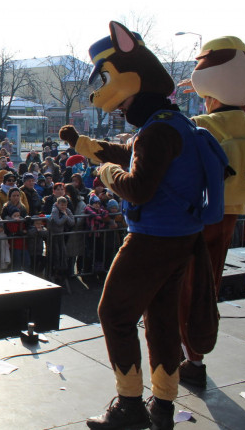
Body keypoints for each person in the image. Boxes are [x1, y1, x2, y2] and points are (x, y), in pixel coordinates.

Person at [60, 21, 218, 430]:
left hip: (152, 239)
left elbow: (139, 187)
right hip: (181, 236)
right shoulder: (174, 123)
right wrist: (83, 145)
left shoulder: (156, 132)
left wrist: (106, 173)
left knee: (113, 313)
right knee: (162, 319)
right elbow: (127, 151)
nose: (118, 106)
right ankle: (162, 404)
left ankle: (129, 405)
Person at [178, 36, 245, 387]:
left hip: (199, 215)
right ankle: (197, 354)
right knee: (211, 283)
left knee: (185, 286)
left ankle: (187, 354)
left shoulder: (202, 125)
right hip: (232, 212)